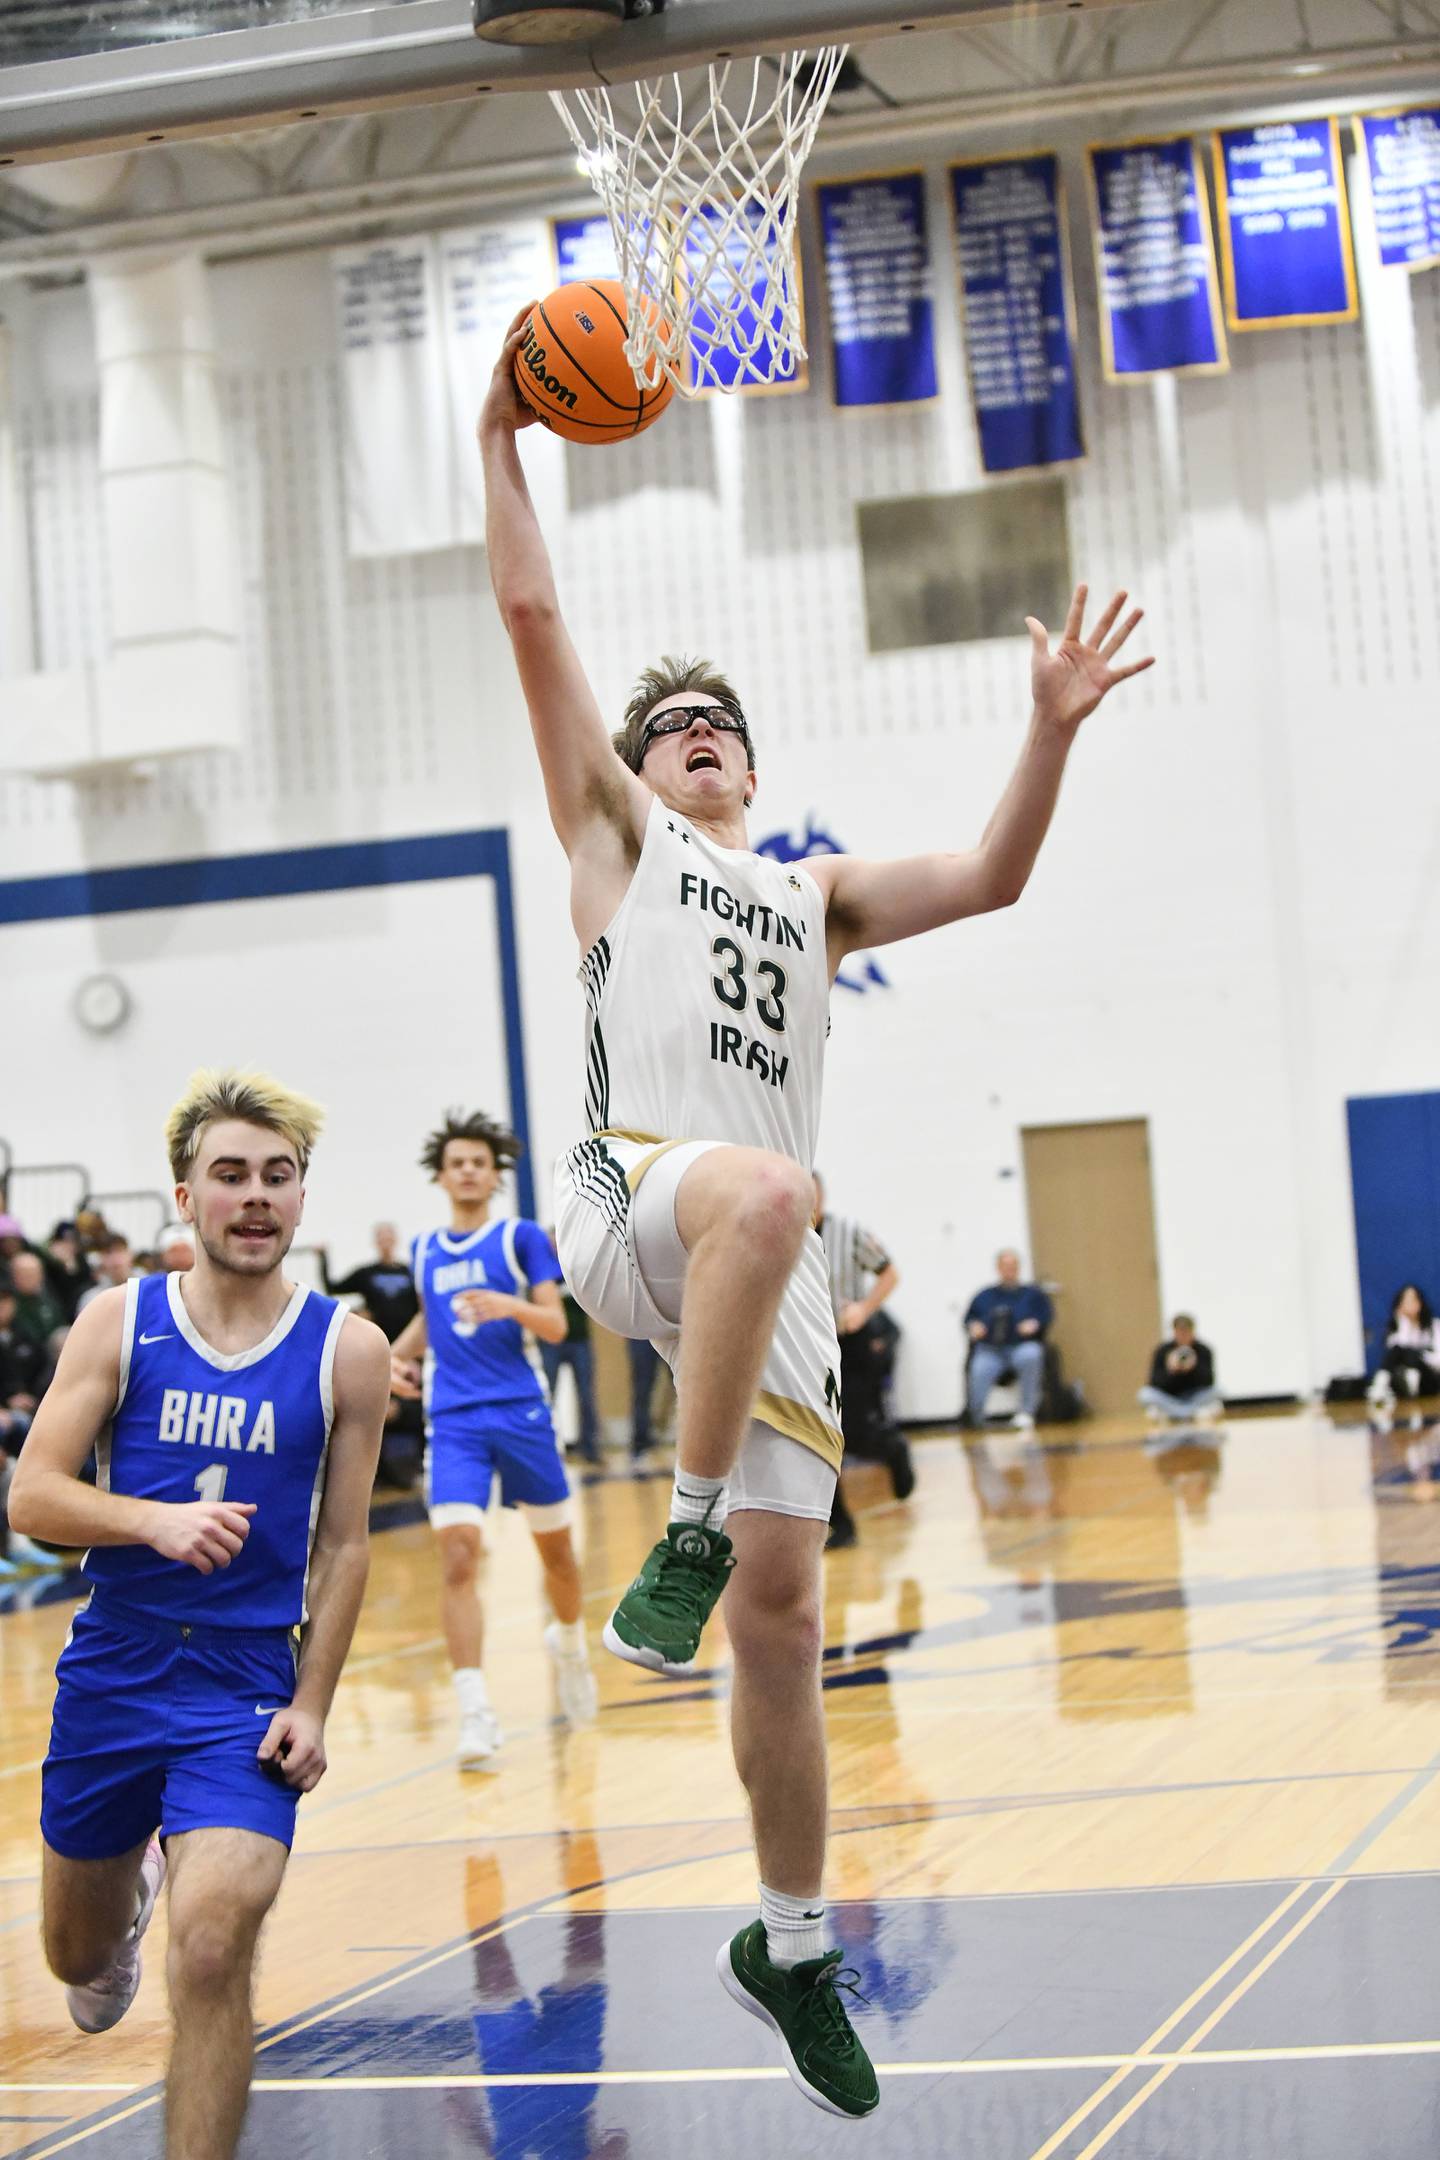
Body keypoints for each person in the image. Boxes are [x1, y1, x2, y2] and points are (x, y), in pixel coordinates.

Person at [479, 303, 1152, 2120]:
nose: (698, 741)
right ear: (640, 769)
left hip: (753, 1279)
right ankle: (680, 1524)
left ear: (757, 773)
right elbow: (539, 621)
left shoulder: (818, 899)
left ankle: (787, 1940)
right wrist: (499, 442)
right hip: (641, 1193)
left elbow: (999, 878)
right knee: (776, 1186)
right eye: (672, 728)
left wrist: (1052, 729)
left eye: (722, 731)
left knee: (789, 1622)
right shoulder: (619, 845)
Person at [7, 1068, 390, 2160]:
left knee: (216, 1947)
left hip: (243, 1685)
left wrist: (313, 1705)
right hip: (116, 1669)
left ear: (303, 1197)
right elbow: (32, 1496)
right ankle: (117, 1917)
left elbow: (346, 1545)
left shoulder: (345, 1349)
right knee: (73, 1962)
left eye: (279, 1175)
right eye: (231, 1175)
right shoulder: (119, 1321)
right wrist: (152, 1523)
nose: (256, 1196)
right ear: (186, 1196)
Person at [388, 1111, 598, 1767]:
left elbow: (558, 1326)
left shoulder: (520, 1238)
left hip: (521, 1411)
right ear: (442, 1175)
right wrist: (390, 1359)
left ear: (494, 1173)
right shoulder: (424, 1249)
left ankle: (569, 1640)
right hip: (453, 1418)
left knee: (558, 1556)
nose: (470, 1171)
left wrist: (508, 1306)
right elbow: (431, 1320)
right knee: (458, 1554)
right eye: (459, 1163)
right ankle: (475, 1712)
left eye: (480, 1161)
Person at [812, 1175, 912, 1551]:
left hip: (850, 1343)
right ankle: (842, 1525)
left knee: (852, 1431)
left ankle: (892, 1449)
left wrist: (865, 1309)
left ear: (820, 1195)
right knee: (822, 1438)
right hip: (810, 1350)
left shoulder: (848, 1231)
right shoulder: (783, 1236)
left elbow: (890, 1273)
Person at [964, 1250, 1053, 1431]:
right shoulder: (984, 1296)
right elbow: (969, 1320)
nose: (1009, 1270)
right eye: (1005, 1267)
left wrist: (1035, 1324)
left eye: (1013, 1266)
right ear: (998, 1269)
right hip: (991, 1349)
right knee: (979, 1367)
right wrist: (974, 1327)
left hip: (1021, 1345)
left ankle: (1027, 1412)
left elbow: (1046, 1316)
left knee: (1031, 1355)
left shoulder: (1032, 1294)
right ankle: (976, 1416)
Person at [539, 1234, 602, 1467]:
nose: (556, 1245)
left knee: (586, 1395)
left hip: (580, 1341)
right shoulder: (542, 1271)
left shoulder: (577, 1269)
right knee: (548, 1396)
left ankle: (591, 1447)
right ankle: (546, 1450)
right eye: (551, 1242)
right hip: (550, 1343)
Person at [321, 1222, 420, 1343]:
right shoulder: (366, 1274)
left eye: (388, 1237)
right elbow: (332, 1288)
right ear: (376, 1242)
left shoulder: (410, 1273)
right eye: (382, 1238)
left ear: (395, 1240)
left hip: (407, 1341)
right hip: (378, 1340)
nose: (386, 1242)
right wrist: (322, 1257)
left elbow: (421, 1306)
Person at [1139, 1314, 1221, 1423]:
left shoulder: (1203, 1350)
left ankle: (1173, 1414)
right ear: (1174, 1332)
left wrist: (1193, 1368)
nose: (1183, 1336)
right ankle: (1190, 1413)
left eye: (1186, 1332)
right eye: (1180, 1332)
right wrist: (1171, 1370)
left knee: (1218, 1390)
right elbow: (1153, 1382)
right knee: (1145, 1394)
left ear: (1193, 1331)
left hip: (1194, 1396)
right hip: (1171, 1397)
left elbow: (1209, 1381)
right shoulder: (1163, 1350)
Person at [1371, 1285, 1440, 1407]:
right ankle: (1380, 1386)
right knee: (1398, 1349)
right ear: (1399, 1305)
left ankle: (1412, 1380)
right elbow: (1397, 1349)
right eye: (1406, 1300)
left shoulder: (1434, 1326)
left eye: (1413, 1299)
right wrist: (1403, 1322)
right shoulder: (1396, 1329)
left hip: (1428, 1378)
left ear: (1420, 1302)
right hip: (1401, 1379)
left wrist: (1420, 1356)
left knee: (1411, 1352)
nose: (1410, 1304)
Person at [77, 1233, 135, 1313]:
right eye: (108, 1253)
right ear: (101, 1259)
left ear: (130, 1254)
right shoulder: (92, 1299)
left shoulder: (149, 1290)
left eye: (119, 1251)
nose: (115, 1259)